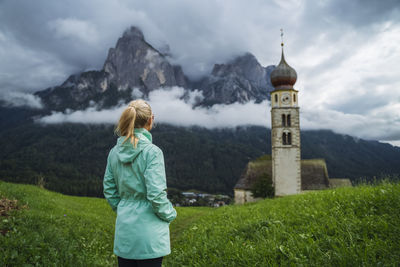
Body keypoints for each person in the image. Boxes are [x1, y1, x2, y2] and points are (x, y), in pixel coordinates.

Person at [103, 99, 177, 267]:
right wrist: (170, 214)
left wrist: (123, 208)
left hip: (125, 233)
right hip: (150, 236)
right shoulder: (153, 153)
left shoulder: (114, 153)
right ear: (151, 120)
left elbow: (109, 190)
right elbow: (155, 194)